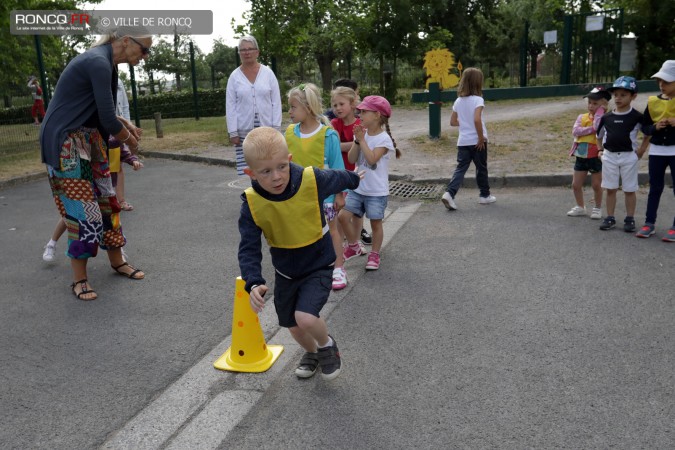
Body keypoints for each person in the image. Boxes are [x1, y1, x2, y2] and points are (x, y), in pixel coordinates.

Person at [238, 127, 362, 380]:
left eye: (282, 167)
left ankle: (327, 346)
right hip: (286, 271)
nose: (276, 177)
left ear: (290, 160)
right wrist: (254, 283)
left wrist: (354, 179)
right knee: (292, 325)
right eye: (266, 171)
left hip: (319, 263)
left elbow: (335, 177)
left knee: (305, 317)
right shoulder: (251, 204)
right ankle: (313, 353)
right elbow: (248, 248)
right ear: (250, 173)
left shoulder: (310, 179)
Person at [39, 27, 151, 300]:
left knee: (108, 204)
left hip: (91, 140)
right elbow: (108, 120)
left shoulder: (108, 65)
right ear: (125, 41)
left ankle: (117, 262)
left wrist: (126, 124)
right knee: (83, 212)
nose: (145, 56)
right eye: (144, 49)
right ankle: (79, 280)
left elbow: (106, 113)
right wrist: (130, 143)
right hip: (66, 142)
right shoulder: (98, 62)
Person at [284, 83, 348, 291]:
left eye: (293, 107)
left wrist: (340, 195)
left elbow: (339, 168)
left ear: (308, 107)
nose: (290, 112)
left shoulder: (328, 135)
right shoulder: (289, 133)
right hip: (298, 197)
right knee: (304, 233)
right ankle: (310, 267)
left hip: (325, 196)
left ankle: (339, 267)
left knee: (331, 231)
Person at [338, 96, 400, 271]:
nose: (360, 114)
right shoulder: (362, 135)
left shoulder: (384, 139)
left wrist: (362, 140)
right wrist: (357, 141)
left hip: (376, 192)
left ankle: (374, 254)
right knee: (342, 216)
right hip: (358, 188)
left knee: (375, 223)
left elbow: (372, 160)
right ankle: (353, 245)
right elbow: (351, 159)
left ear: (377, 115)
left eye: (364, 112)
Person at [226, 35, 282, 176]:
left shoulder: (268, 73)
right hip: (244, 131)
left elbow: (276, 101)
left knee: (268, 165)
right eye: (242, 50)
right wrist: (233, 131)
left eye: (250, 49)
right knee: (250, 169)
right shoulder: (234, 77)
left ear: (257, 52)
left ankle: (268, 195)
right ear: (239, 53)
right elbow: (230, 105)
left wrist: (276, 128)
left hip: (267, 129)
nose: (246, 52)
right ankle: (253, 196)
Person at [441, 67, 495, 210]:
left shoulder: (458, 101)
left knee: (461, 168)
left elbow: (453, 121)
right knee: (481, 168)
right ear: (478, 83)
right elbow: (477, 120)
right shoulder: (478, 100)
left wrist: (465, 123)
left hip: (463, 141)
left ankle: (449, 193)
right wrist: (480, 138)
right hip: (477, 141)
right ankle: (485, 195)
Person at [597, 76, 645, 232]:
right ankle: (610, 217)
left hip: (628, 157)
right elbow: (598, 135)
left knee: (629, 189)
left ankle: (630, 219)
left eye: (623, 95)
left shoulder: (637, 117)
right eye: (616, 94)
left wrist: (642, 150)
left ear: (633, 96)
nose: (618, 98)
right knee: (610, 189)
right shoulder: (606, 117)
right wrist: (600, 150)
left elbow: (648, 133)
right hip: (609, 156)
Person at [327, 79, 372, 246]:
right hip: (340, 172)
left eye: (341, 104)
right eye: (334, 105)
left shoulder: (361, 123)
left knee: (356, 211)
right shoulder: (334, 123)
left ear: (353, 104)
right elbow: (334, 147)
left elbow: (362, 146)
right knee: (340, 210)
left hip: (357, 171)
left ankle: (357, 237)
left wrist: (346, 145)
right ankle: (342, 243)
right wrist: (354, 143)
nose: (337, 108)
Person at [635, 60, 675, 241]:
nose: (661, 85)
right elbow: (644, 126)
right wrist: (655, 128)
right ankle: (649, 223)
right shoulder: (652, 102)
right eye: (660, 81)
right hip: (657, 151)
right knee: (655, 188)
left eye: (666, 81)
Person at [566, 87, 610, 219]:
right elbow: (576, 131)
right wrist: (590, 129)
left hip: (596, 155)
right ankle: (580, 206)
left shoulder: (604, 118)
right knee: (576, 184)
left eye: (595, 104)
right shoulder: (582, 116)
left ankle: (597, 207)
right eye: (589, 102)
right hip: (581, 155)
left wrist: (599, 114)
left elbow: (598, 127)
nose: (591, 106)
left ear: (603, 105)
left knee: (597, 185)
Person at [114, 76, 136, 211]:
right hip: (101, 128)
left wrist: (128, 127)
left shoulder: (118, 81)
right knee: (101, 167)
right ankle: (105, 201)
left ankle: (121, 200)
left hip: (117, 129)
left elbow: (125, 106)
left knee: (117, 165)